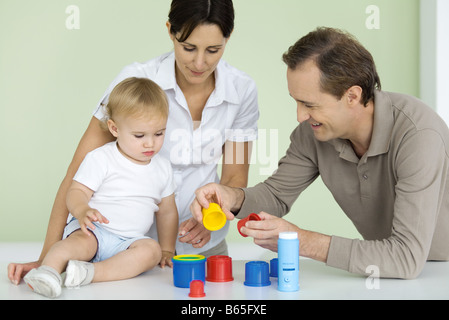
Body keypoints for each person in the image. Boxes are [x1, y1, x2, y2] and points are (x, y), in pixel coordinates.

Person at [8, 0, 258, 285]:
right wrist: (47, 258)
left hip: (201, 247)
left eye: (213, 50)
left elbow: (235, 176)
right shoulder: (135, 81)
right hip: (115, 250)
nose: (200, 63)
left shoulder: (242, 89)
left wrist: (215, 218)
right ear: (170, 31)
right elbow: (76, 173)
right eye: (188, 47)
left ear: (229, 36)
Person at [191, 27, 449, 280]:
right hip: (386, 270)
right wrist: (232, 197)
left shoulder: (419, 135)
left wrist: (301, 241)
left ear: (353, 96)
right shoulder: (314, 133)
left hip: (438, 270)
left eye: (309, 104)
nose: (300, 116)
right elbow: (276, 195)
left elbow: (405, 258)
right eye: (296, 101)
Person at [23, 77, 178, 298]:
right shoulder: (102, 158)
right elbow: (76, 192)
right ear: (114, 128)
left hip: (130, 241)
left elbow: (168, 211)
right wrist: (82, 211)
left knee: (150, 251)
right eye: (139, 135)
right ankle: (48, 271)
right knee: (73, 245)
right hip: (94, 232)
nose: (150, 143)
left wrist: (167, 249)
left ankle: (89, 273)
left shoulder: (163, 167)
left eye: (159, 133)